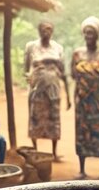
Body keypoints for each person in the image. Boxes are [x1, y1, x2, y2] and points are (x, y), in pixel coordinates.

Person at [72, 16, 99, 179]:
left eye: (92, 33)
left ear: (98, 35)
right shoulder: (77, 54)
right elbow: (74, 77)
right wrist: (75, 98)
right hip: (82, 102)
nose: (89, 36)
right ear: (83, 34)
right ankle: (82, 170)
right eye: (86, 33)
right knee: (82, 133)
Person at [24, 21, 68, 160]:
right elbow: (26, 68)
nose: (46, 32)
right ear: (39, 31)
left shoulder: (58, 48)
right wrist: (30, 78)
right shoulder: (31, 46)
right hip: (37, 88)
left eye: (49, 29)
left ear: (52, 31)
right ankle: (35, 151)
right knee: (35, 117)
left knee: (53, 118)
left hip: (53, 87)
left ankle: (54, 153)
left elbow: (62, 70)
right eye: (43, 29)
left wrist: (67, 93)